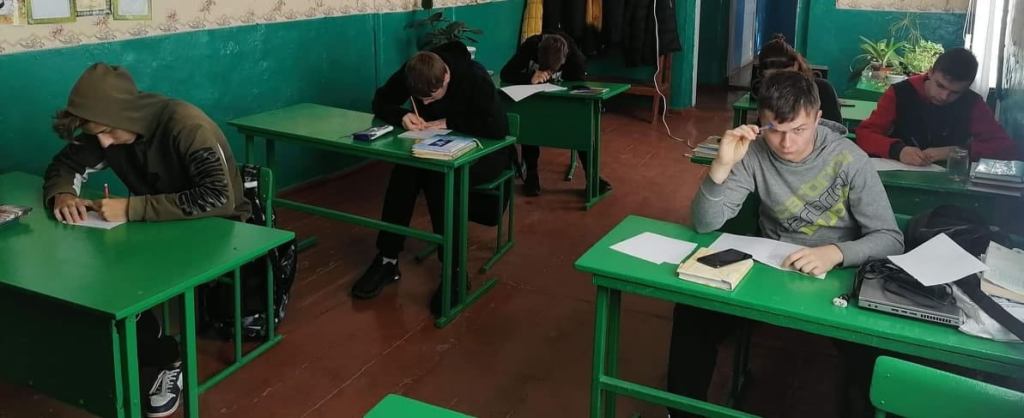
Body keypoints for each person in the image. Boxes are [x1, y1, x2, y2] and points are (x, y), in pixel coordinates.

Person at [668, 71, 904, 417]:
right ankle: (682, 412)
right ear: (760, 121)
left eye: (799, 130)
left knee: (876, 354)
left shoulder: (850, 159)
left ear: (818, 118)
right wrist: (720, 165)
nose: (786, 143)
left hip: (836, 279)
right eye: (775, 130)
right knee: (692, 314)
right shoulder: (753, 153)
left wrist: (836, 253)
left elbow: (891, 239)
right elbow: (705, 222)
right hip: (769, 270)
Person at [44, 63, 251, 418]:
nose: (103, 143)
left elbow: (219, 199)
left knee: (124, 277)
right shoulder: (108, 128)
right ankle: (151, 348)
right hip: (158, 226)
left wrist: (131, 208)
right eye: (96, 134)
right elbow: (64, 166)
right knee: (99, 272)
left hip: (217, 229)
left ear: (127, 113)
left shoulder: (187, 125)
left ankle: (167, 361)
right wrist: (62, 194)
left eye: (106, 132)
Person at [352, 41, 516, 317]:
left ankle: (454, 268)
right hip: (433, 149)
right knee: (404, 171)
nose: (426, 104)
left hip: (486, 152)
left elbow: (496, 127)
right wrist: (402, 114)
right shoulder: (414, 71)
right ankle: (387, 258)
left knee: (440, 178)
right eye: (421, 100)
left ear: (446, 77)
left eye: (432, 97)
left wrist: (448, 122)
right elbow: (381, 101)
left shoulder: (475, 77)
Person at [856, 47, 1017, 165]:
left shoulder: (973, 103)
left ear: (967, 87)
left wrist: (953, 151)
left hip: (950, 181)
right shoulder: (899, 93)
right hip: (898, 174)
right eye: (940, 85)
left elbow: (1005, 147)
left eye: (955, 93)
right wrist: (897, 150)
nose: (944, 96)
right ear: (930, 72)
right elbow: (864, 134)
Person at [500, 31, 611, 196]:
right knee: (529, 119)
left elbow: (580, 87)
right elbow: (506, 73)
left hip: (563, 101)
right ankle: (532, 175)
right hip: (535, 101)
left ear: (564, 60)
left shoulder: (575, 59)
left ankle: (592, 177)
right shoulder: (531, 45)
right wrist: (530, 77)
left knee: (582, 124)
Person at [755, 34, 842, 125]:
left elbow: (835, 128)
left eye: (784, 76)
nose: (780, 84)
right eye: (773, 79)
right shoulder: (769, 95)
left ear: (796, 66)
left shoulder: (823, 90)